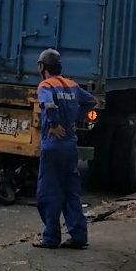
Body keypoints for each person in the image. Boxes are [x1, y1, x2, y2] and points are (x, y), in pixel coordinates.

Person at [32, 48, 96, 250]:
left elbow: (48, 104)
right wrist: (74, 117)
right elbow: (92, 101)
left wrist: (53, 123)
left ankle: (51, 237)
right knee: (71, 191)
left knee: (48, 192)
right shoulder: (71, 85)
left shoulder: (45, 85)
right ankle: (78, 235)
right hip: (70, 145)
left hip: (53, 146)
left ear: (42, 67)